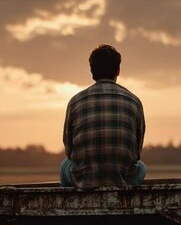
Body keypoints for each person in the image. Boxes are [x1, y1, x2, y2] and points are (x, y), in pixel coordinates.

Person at [61, 44, 146, 189]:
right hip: (122, 180)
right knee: (141, 167)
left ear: (92, 71)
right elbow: (136, 152)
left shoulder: (75, 101)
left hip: (84, 181)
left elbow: (69, 151)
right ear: (117, 70)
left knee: (65, 166)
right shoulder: (134, 101)